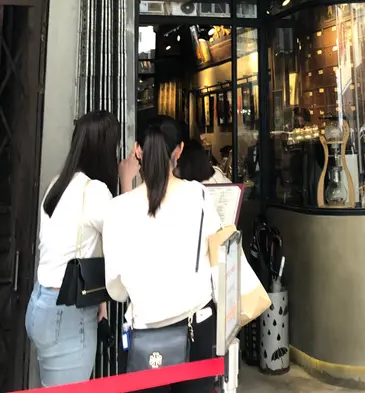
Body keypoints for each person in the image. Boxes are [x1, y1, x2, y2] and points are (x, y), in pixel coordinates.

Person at [102, 116, 223, 392]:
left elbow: (116, 290)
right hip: (197, 331)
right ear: (179, 151)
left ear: (137, 150)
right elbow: (218, 260)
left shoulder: (118, 209)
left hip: (144, 339)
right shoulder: (199, 195)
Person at [25, 110, 137, 387]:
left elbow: (68, 249)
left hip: (41, 304)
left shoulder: (58, 184)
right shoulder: (95, 191)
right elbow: (126, 238)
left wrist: (99, 300)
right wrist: (126, 181)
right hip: (66, 314)